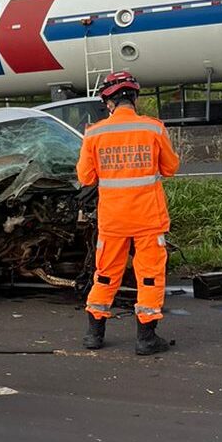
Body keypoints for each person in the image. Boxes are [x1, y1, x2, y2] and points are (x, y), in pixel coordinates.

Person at [76, 71, 180, 356]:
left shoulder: (94, 133)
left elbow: (86, 177)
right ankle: (146, 338)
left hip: (112, 220)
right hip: (148, 217)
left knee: (106, 274)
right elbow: (170, 168)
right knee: (149, 276)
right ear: (134, 98)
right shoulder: (153, 129)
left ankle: (94, 335)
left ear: (108, 102)